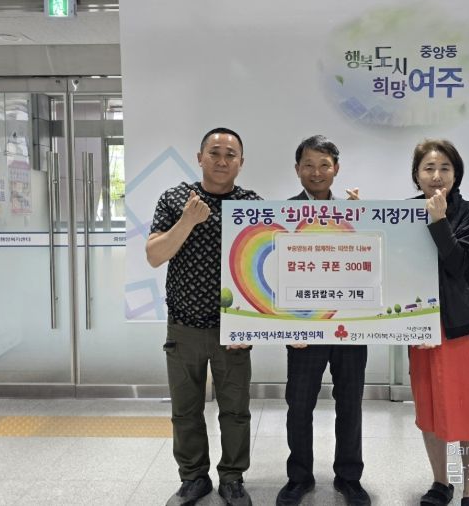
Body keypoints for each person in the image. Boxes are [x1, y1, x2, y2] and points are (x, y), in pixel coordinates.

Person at [146, 127, 260, 506]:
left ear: (241, 162)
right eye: (214, 153)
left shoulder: (252, 204)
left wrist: (254, 324)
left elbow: (268, 265)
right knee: (185, 410)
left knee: (236, 411)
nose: (222, 161)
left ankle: (232, 478)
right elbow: (154, 255)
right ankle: (193, 478)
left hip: (234, 329)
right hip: (184, 325)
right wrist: (187, 221)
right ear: (199, 158)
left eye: (230, 155)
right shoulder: (176, 198)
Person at [276, 135, 370, 506]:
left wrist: (362, 221)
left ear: (336, 169)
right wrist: (286, 326)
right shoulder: (282, 214)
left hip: (351, 326)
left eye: (324, 165)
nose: (316, 172)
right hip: (304, 329)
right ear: (297, 169)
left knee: (350, 404)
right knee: (299, 406)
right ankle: (299, 477)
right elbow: (275, 273)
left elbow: (372, 265)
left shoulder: (355, 212)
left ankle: (349, 477)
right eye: (309, 165)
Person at [408, 139, 469, 506]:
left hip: (465, 328)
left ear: (456, 174)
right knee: (430, 409)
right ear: (417, 175)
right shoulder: (405, 213)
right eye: (428, 168)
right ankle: (440, 482)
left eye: (445, 168)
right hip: (422, 329)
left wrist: (439, 220)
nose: (437, 175)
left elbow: (459, 263)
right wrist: (358, 215)